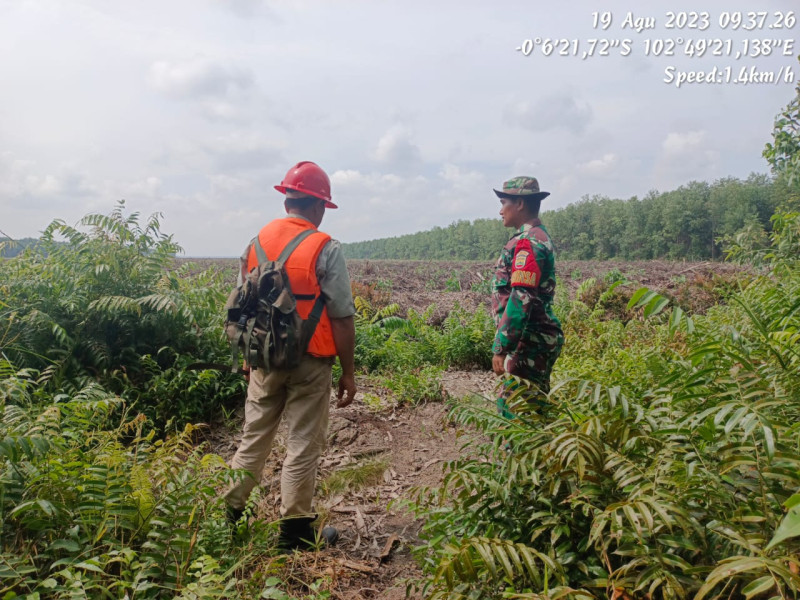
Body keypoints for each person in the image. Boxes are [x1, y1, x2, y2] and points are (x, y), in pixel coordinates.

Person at [225, 161, 357, 551]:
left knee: (254, 437)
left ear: (287, 199)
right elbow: (342, 317)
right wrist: (349, 373)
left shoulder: (255, 244)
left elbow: (243, 308)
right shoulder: (325, 248)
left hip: (263, 359)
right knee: (302, 443)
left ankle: (226, 517)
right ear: (318, 205)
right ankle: (295, 534)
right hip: (311, 362)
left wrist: (249, 360)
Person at [490, 176, 563, 417]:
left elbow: (521, 298)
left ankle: (516, 454)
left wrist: (502, 346)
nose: (501, 211)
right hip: (531, 340)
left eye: (504, 203)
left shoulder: (528, 242)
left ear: (520, 203)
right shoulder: (533, 238)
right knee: (531, 406)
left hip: (529, 341)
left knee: (515, 412)